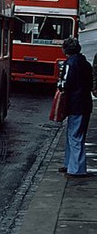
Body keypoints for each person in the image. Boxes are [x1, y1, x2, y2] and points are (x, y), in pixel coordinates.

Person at [58, 37, 93, 177]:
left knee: (74, 136)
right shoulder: (85, 63)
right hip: (86, 103)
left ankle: (76, 169)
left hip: (75, 104)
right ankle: (69, 164)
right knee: (77, 134)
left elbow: (65, 83)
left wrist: (59, 85)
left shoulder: (69, 63)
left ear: (66, 50)